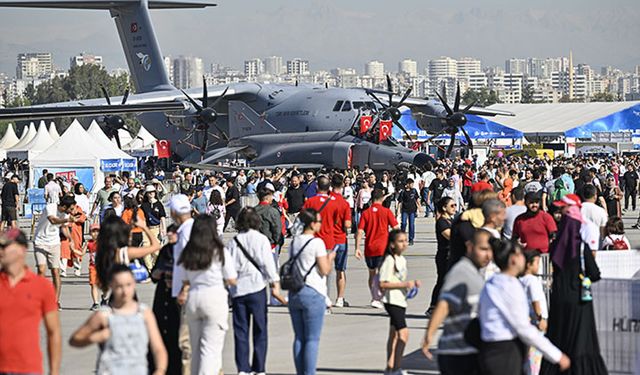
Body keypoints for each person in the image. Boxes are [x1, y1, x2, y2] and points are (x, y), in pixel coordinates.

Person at [478, 239, 570, 375]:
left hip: (487, 348)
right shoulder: (511, 286)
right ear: (513, 259)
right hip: (506, 351)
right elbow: (523, 328)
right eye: (521, 254)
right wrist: (557, 356)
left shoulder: (491, 282)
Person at [540, 199, 607, 375]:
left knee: (558, 336)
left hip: (558, 298)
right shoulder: (581, 248)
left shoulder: (555, 246)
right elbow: (595, 274)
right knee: (581, 340)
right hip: (579, 299)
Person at [70, 264, 168, 375]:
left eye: (128, 285)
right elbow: (75, 339)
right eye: (119, 286)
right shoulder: (105, 315)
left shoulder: (144, 313)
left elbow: (158, 348)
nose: (124, 291)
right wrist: (97, 336)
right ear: (111, 286)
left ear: (134, 284)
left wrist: (160, 370)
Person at [422, 229, 493, 375]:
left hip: (469, 350)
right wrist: (429, 335)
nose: (488, 255)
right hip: (457, 353)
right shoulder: (461, 272)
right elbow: (444, 304)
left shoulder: (476, 272)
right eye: (483, 249)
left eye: (490, 250)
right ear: (470, 247)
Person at [177, 215, 238, 375]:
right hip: (214, 296)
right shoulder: (219, 250)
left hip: (194, 297)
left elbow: (184, 280)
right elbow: (231, 279)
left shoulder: (188, 251)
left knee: (196, 348)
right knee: (210, 349)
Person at [228, 207, 285, 375]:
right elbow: (268, 264)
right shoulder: (261, 240)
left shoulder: (233, 242)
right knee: (260, 329)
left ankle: (243, 368)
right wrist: (275, 283)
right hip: (257, 288)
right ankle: (259, 368)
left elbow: (228, 268)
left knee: (241, 331)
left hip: (239, 290)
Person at [0, 228, 61, 375]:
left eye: (5, 246)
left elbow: (53, 332)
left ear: (22, 249)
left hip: (28, 367)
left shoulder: (41, 286)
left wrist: (54, 371)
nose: (1, 251)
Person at [287, 208, 336, 375]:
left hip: (295, 291)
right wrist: (329, 260)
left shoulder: (295, 242)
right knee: (312, 339)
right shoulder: (317, 243)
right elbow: (324, 270)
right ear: (313, 224)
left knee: (299, 337)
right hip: (313, 291)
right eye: (319, 221)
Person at [379, 229, 421, 375]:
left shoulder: (401, 259)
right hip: (392, 301)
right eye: (400, 241)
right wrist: (405, 285)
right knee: (404, 334)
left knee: (394, 334)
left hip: (400, 300)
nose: (404, 244)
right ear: (392, 244)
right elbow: (383, 283)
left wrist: (410, 285)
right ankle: (397, 367)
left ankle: (390, 366)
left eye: (405, 241)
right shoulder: (389, 260)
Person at [355, 188, 400, 309]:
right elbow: (396, 228)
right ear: (382, 198)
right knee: (383, 274)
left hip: (369, 248)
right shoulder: (386, 212)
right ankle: (379, 297)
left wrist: (357, 248)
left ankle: (375, 296)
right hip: (383, 247)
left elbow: (359, 232)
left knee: (372, 274)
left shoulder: (366, 213)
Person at [94, 215, 161, 293]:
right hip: (126, 295)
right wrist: (144, 227)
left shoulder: (102, 253)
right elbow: (156, 246)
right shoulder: (125, 252)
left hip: (112, 294)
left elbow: (100, 283)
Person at [33, 194, 77, 307]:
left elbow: (64, 227)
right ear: (64, 206)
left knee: (55, 272)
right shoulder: (51, 207)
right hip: (40, 241)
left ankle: (55, 301)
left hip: (54, 243)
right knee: (41, 270)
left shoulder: (65, 215)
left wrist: (71, 240)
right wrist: (67, 219)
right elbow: (53, 220)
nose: (72, 211)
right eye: (71, 209)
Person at [168, 194, 195, 374]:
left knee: (186, 343)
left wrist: (184, 289)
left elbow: (190, 261)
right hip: (193, 291)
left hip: (190, 293)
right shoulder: (192, 227)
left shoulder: (186, 231)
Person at [150, 224, 181, 375]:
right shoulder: (165, 250)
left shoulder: (183, 251)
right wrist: (157, 273)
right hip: (162, 295)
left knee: (176, 332)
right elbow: (154, 273)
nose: (170, 234)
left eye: (173, 232)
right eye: (169, 232)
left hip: (176, 297)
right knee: (160, 330)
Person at [426, 197, 456, 318]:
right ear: (444, 208)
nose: (455, 208)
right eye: (452, 206)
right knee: (442, 281)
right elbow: (450, 236)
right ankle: (433, 307)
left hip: (452, 255)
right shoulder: (441, 222)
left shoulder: (452, 220)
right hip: (444, 256)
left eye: (455, 205)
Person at [520, 249, 548, 375]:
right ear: (528, 264)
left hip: (528, 321)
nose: (539, 267)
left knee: (528, 355)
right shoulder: (532, 281)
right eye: (537, 263)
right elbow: (536, 302)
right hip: (537, 322)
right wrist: (540, 318)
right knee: (536, 357)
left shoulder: (521, 280)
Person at [329, 174, 352, 307]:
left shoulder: (327, 200)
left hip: (327, 239)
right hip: (340, 239)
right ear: (342, 185)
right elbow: (348, 224)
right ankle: (339, 298)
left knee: (324, 269)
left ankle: (325, 296)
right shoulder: (344, 203)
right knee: (340, 270)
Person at [397, 178, 421, 246]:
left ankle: (411, 239)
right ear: (407, 184)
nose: (412, 185)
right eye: (411, 184)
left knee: (411, 224)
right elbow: (399, 201)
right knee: (404, 223)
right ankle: (402, 237)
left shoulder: (414, 191)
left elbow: (417, 199)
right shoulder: (403, 192)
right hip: (405, 210)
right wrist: (398, 210)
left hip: (412, 210)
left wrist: (419, 207)